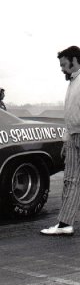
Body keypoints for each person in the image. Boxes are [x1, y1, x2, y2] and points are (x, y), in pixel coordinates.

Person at [41, 46, 80, 236]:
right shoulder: (72, 83)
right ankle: (65, 224)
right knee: (70, 180)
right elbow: (70, 114)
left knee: (72, 180)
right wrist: (66, 140)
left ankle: (65, 224)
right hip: (73, 136)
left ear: (74, 60)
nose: (62, 69)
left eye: (64, 64)